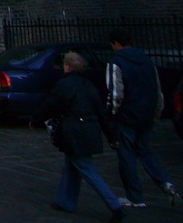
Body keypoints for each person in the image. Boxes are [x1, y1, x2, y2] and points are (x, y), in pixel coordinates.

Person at [30, 51, 124, 222]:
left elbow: (50, 105)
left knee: (87, 169)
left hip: (74, 132)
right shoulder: (89, 85)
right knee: (71, 167)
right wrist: (112, 135)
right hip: (88, 130)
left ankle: (115, 205)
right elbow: (102, 113)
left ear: (67, 67)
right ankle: (65, 201)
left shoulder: (64, 85)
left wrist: (36, 120)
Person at [107, 28, 179, 208]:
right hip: (146, 114)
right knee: (146, 152)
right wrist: (156, 114)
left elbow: (116, 94)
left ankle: (135, 197)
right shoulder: (148, 62)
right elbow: (157, 90)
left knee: (127, 156)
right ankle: (165, 182)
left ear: (116, 43)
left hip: (127, 116)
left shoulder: (116, 62)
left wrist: (111, 116)